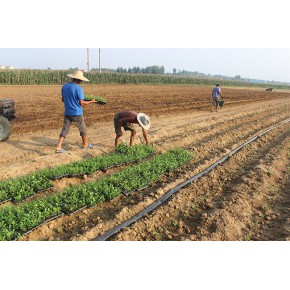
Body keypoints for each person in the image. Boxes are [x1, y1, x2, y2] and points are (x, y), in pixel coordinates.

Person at [55, 70, 96, 153]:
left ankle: (58, 147)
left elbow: (63, 99)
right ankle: (85, 144)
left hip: (67, 112)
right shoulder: (78, 88)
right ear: (79, 79)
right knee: (82, 128)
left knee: (65, 128)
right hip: (77, 112)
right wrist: (91, 101)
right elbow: (81, 103)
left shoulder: (65, 86)